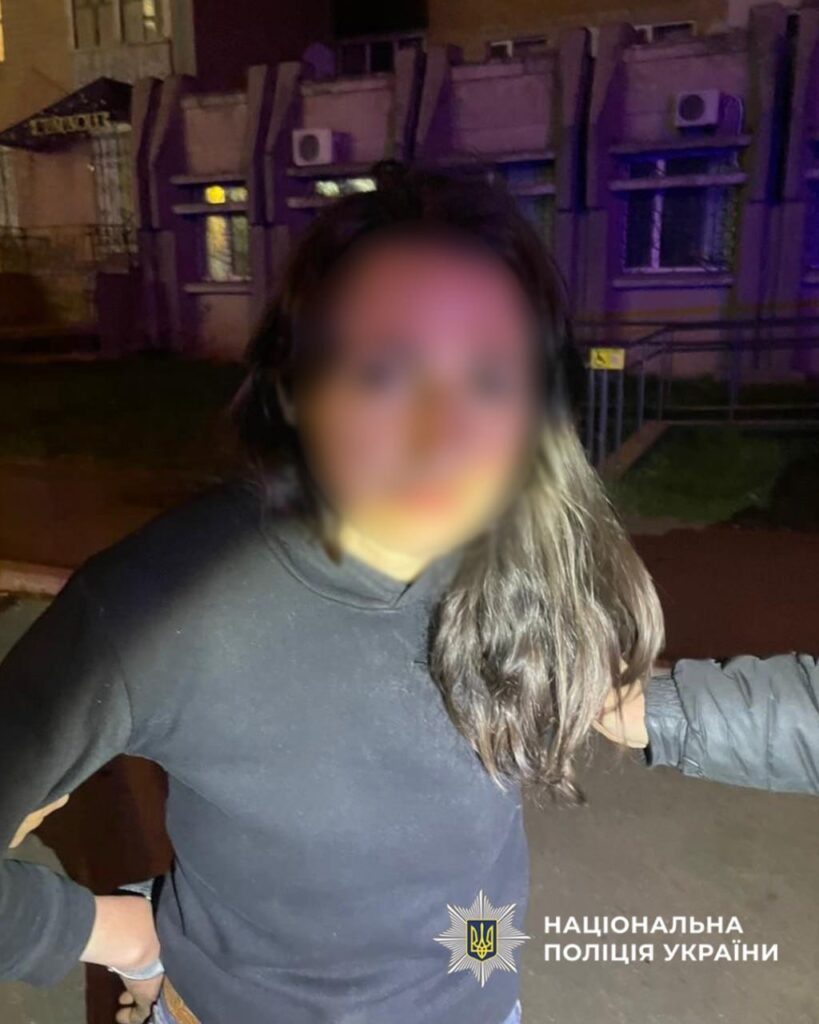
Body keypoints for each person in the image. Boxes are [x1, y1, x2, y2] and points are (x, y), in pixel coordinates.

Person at [1, 167, 817, 1024]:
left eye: (490, 374)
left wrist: (634, 703)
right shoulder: (157, 606)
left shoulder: (524, 563)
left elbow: (607, 710)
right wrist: (110, 932)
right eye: (387, 368)